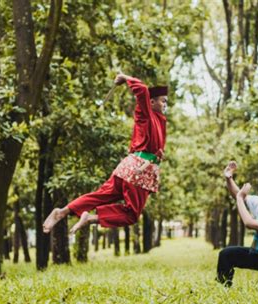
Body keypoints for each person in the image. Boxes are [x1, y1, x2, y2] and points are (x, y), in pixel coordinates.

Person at [43, 73, 169, 234]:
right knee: (131, 215)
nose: (165, 104)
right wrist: (125, 78)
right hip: (139, 171)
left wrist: (158, 154)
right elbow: (143, 89)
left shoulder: (160, 121)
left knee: (101, 195)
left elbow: (154, 146)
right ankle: (90, 218)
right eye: (162, 101)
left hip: (128, 168)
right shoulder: (146, 115)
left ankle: (62, 212)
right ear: (151, 102)